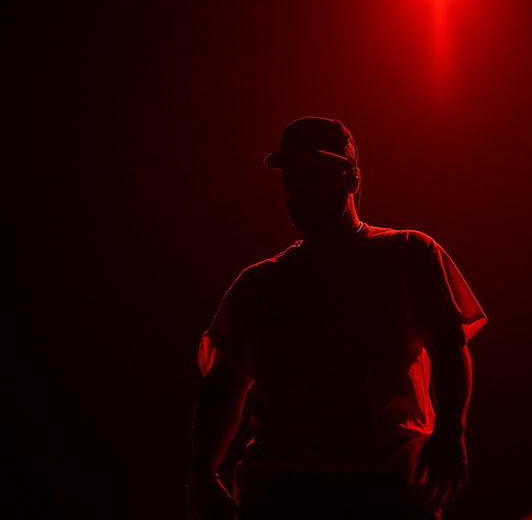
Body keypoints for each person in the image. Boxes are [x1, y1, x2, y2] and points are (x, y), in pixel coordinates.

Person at [187, 116, 487, 520]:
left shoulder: (409, 253)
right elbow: (224, 385)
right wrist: (203, 473)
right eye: (293, 176)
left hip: (375, 489)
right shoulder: (257, 284)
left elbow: (450, 348)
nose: (301, 187)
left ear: (353, 180)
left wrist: (452, 435)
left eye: (315, 173)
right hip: (294, 493)